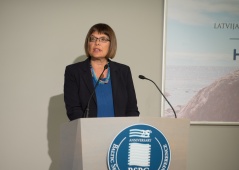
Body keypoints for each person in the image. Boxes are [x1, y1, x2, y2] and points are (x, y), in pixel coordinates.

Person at [64, 23, 140, 121]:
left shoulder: (123, 71)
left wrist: (126, 132)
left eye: (103, 39)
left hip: (119, 133)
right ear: (88, 43)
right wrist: (88, 130)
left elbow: (132, 109)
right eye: (93, 39)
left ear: (111, 44)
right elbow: (73, 109)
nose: (97, 43)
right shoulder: (74, 71)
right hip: (88, 133)